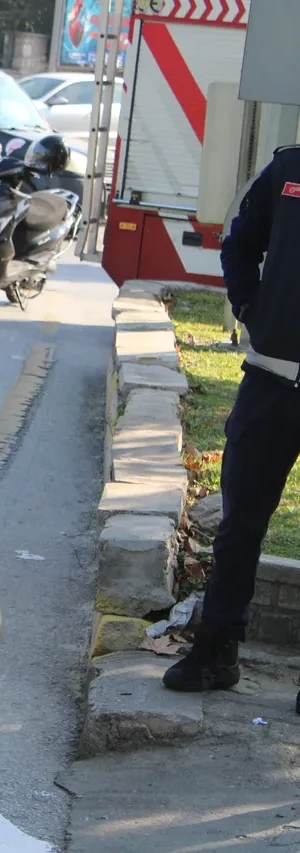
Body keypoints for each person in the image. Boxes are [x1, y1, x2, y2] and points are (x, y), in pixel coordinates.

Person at [162, 145, 300, 699]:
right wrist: (251, 308)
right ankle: (216, 647)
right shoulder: (290, 169)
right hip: (270, 380)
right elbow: (239, 243)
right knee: (240, 525)